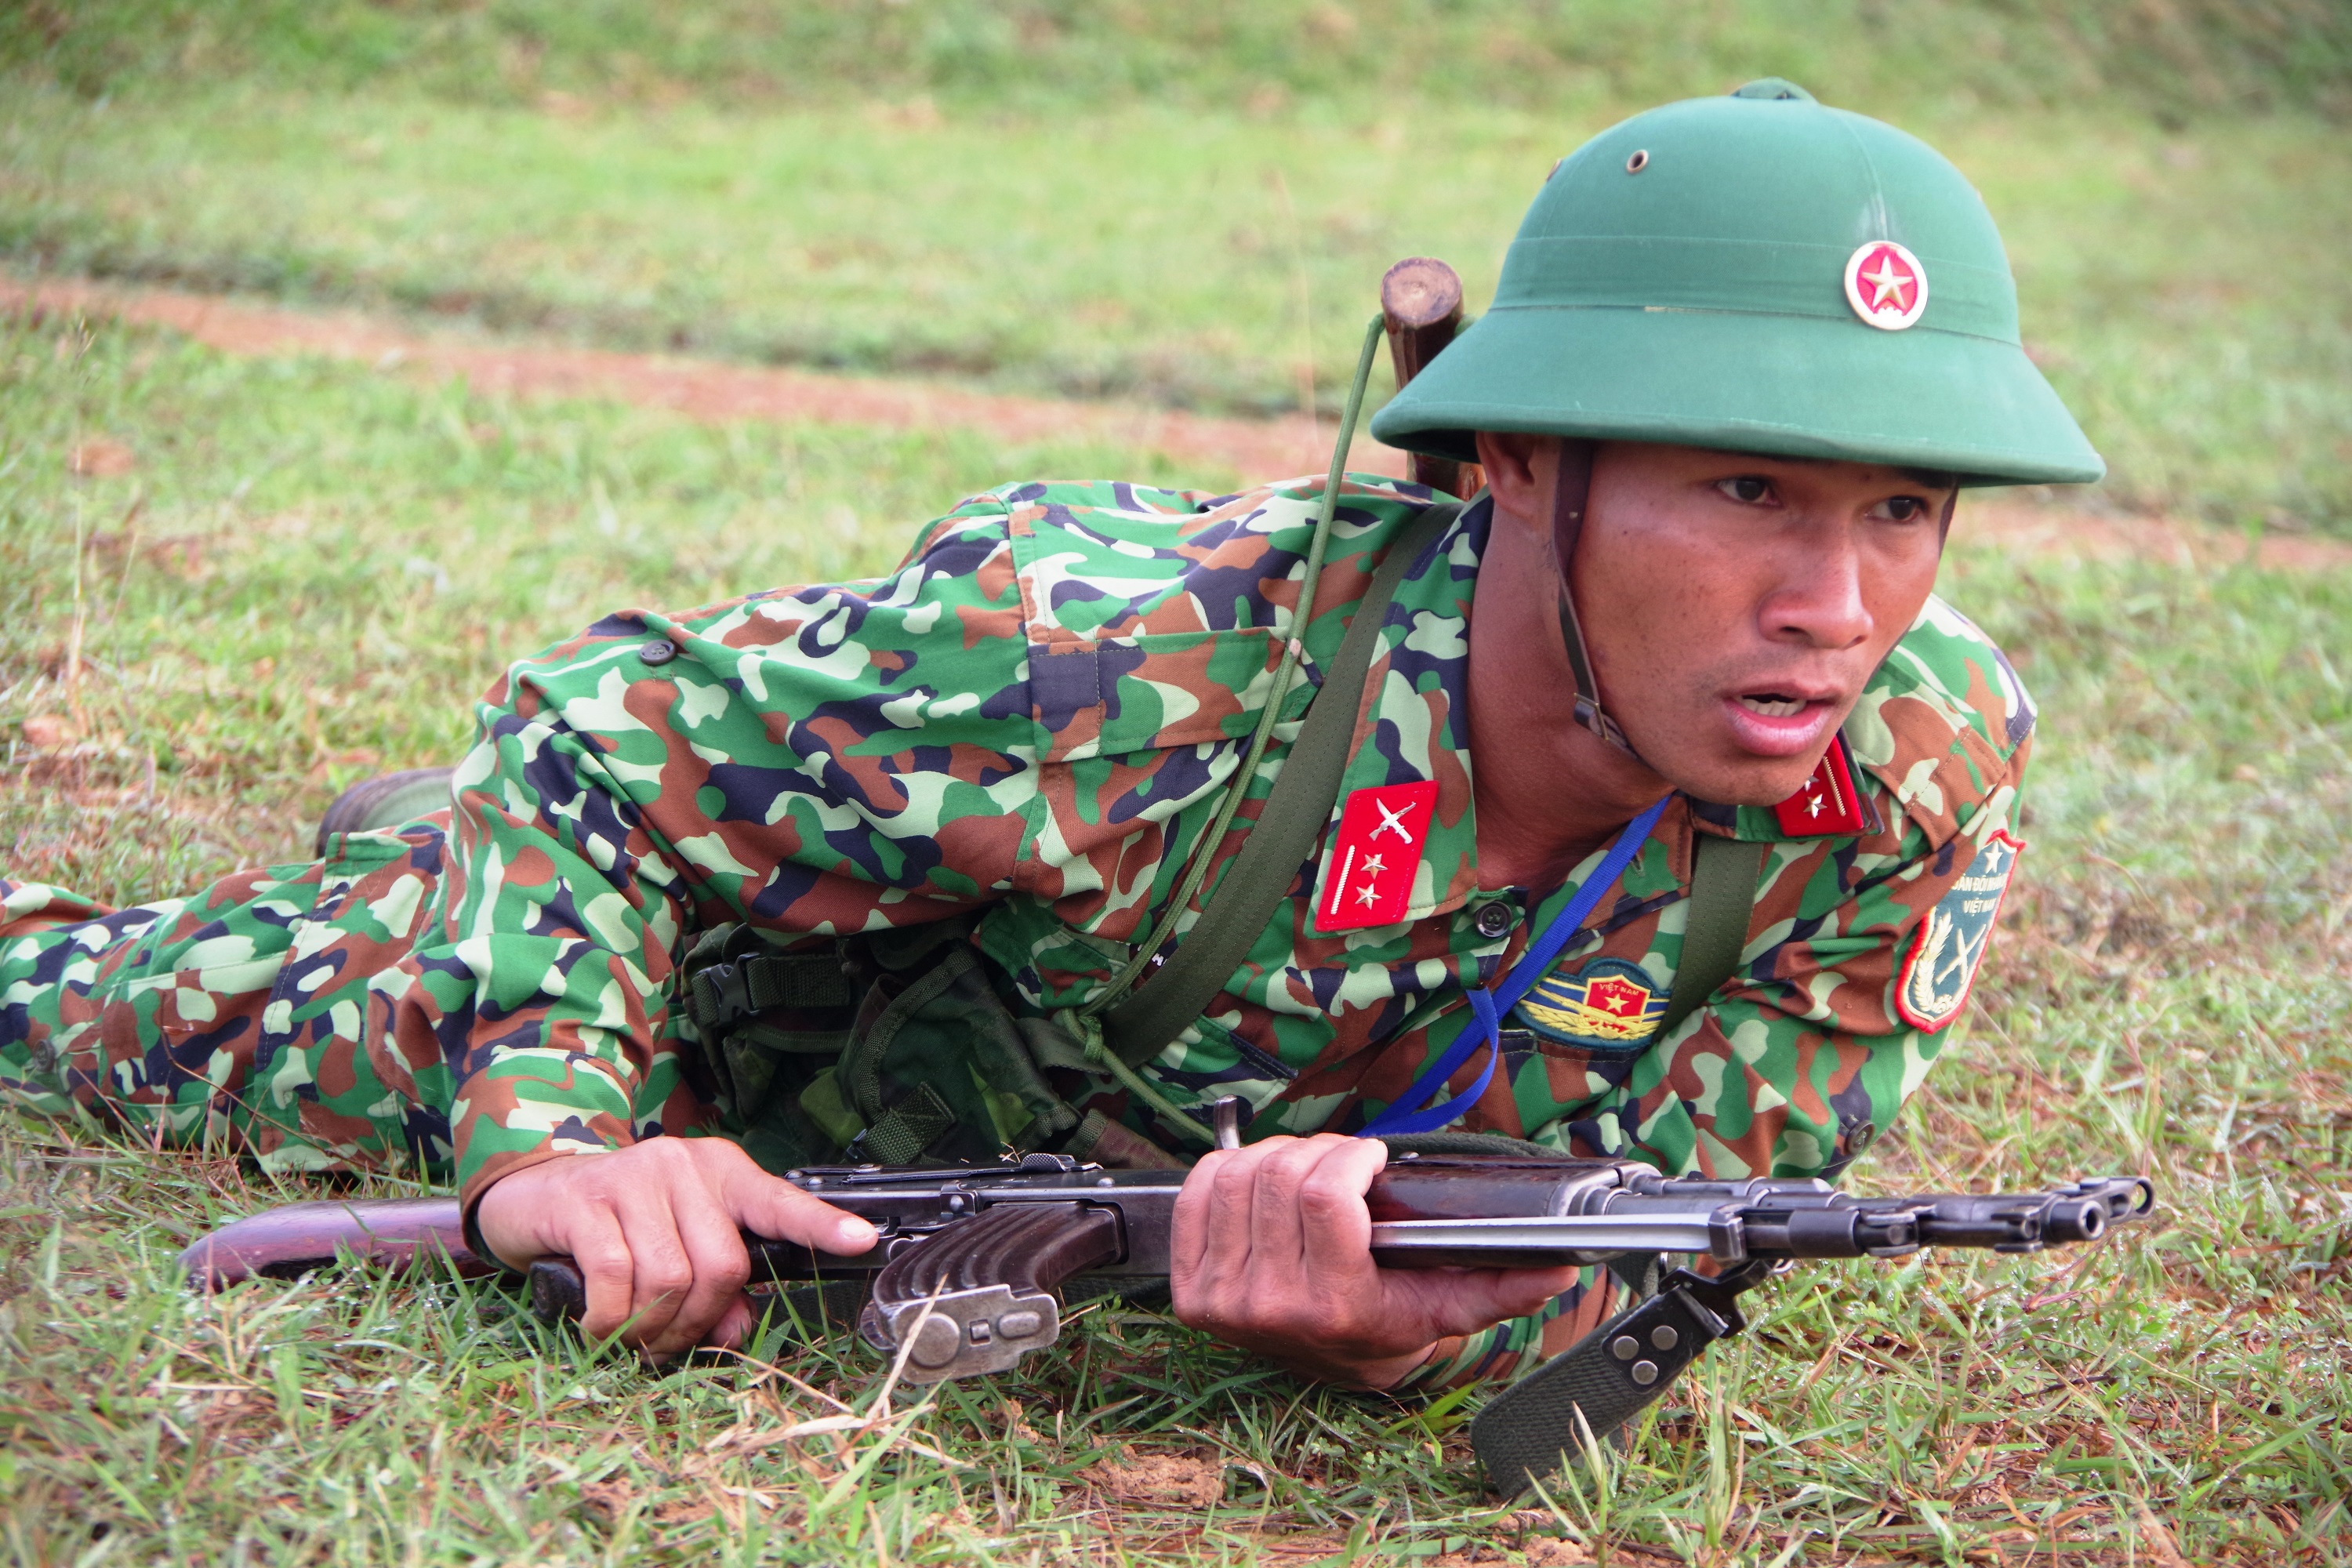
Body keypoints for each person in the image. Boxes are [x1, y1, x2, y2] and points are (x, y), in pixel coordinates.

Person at [0, 81, 2098, 1396]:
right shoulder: (1117, 667)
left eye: (1901, 509)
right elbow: (597, 741)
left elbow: (1684, 1207)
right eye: (1750, 494)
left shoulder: (1907, 771)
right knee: (264, 1030)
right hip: (754, 1046)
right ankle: (388, 885)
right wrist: (562, 1146)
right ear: (1522, 466)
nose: (1838, 601)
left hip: (1042, 1161)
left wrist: (1402, 1341)